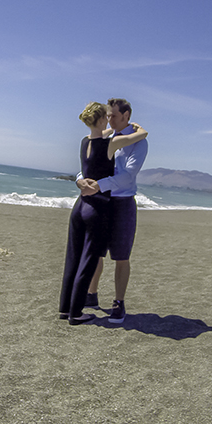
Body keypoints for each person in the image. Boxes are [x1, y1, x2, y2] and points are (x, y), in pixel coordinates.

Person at [59, 102, 147, 325]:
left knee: (120, 255)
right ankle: (87, 298)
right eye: (107, 116)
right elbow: (86, 167)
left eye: (114, 115)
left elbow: (127, 176)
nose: (110, 119)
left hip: (119, 202)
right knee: (92, 255)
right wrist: (81, 180)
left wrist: (97, 184)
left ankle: (117, 302)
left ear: (126, 115)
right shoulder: (109, 140)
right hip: (98, 202)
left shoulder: (135, 143)